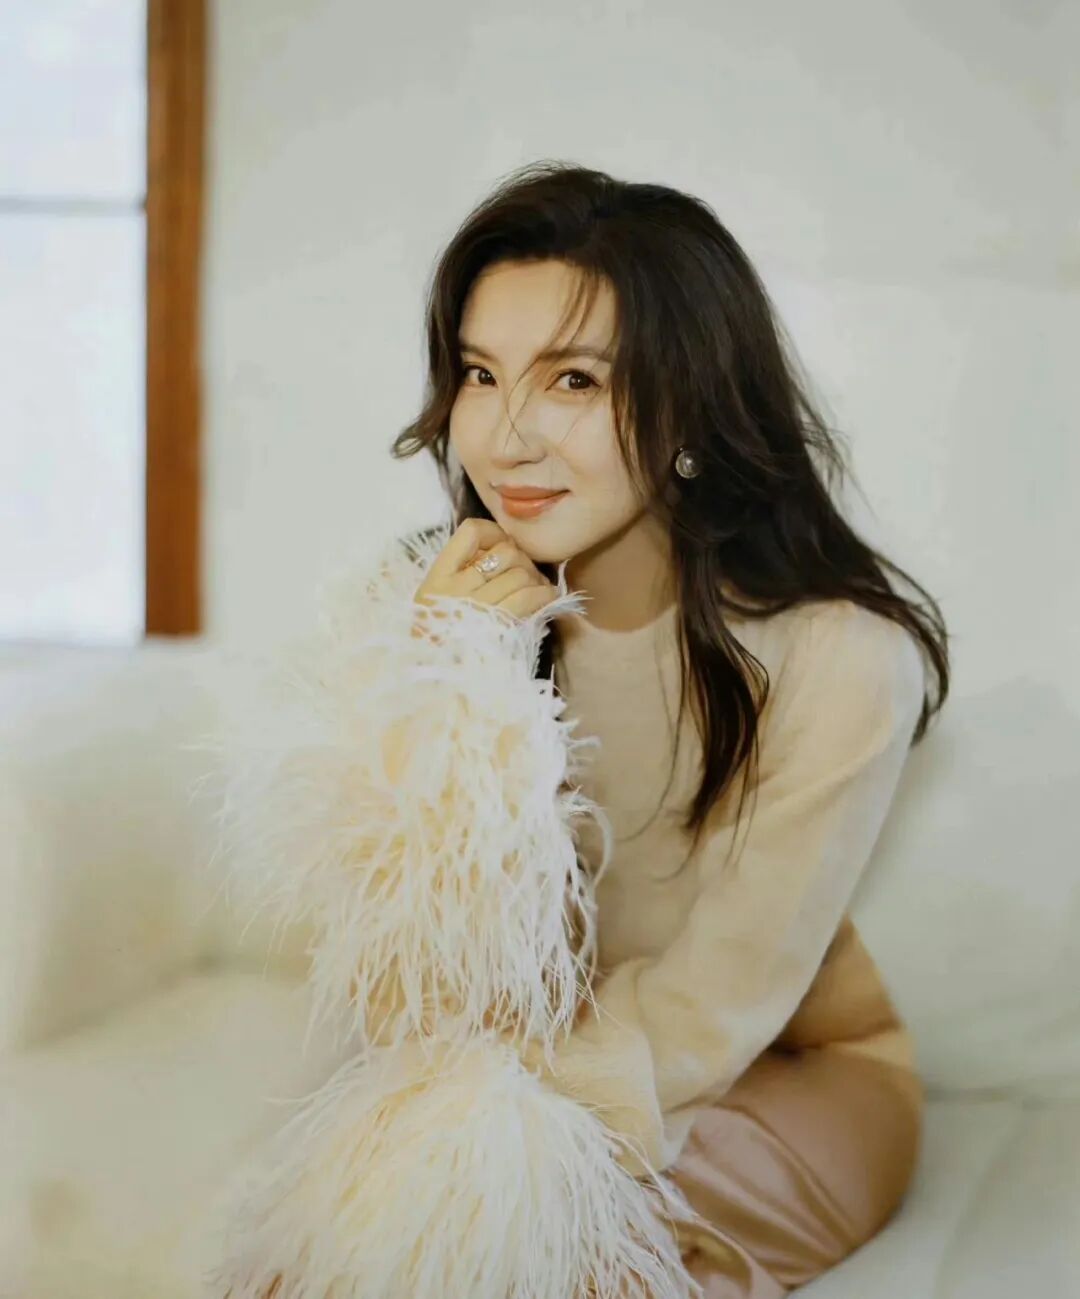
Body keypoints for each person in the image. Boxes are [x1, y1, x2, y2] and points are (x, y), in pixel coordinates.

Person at [394, 160, 951, 1297]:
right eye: (480, 374)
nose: (507, 437)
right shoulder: (437, 615)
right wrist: (449, 686)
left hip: (797, 1067)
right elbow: (418, 970)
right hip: (530, 1074)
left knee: (549, 1262)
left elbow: (715, 1004)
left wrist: (491, 1148)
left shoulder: (841, 655)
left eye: (574, 379)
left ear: (690, 402)